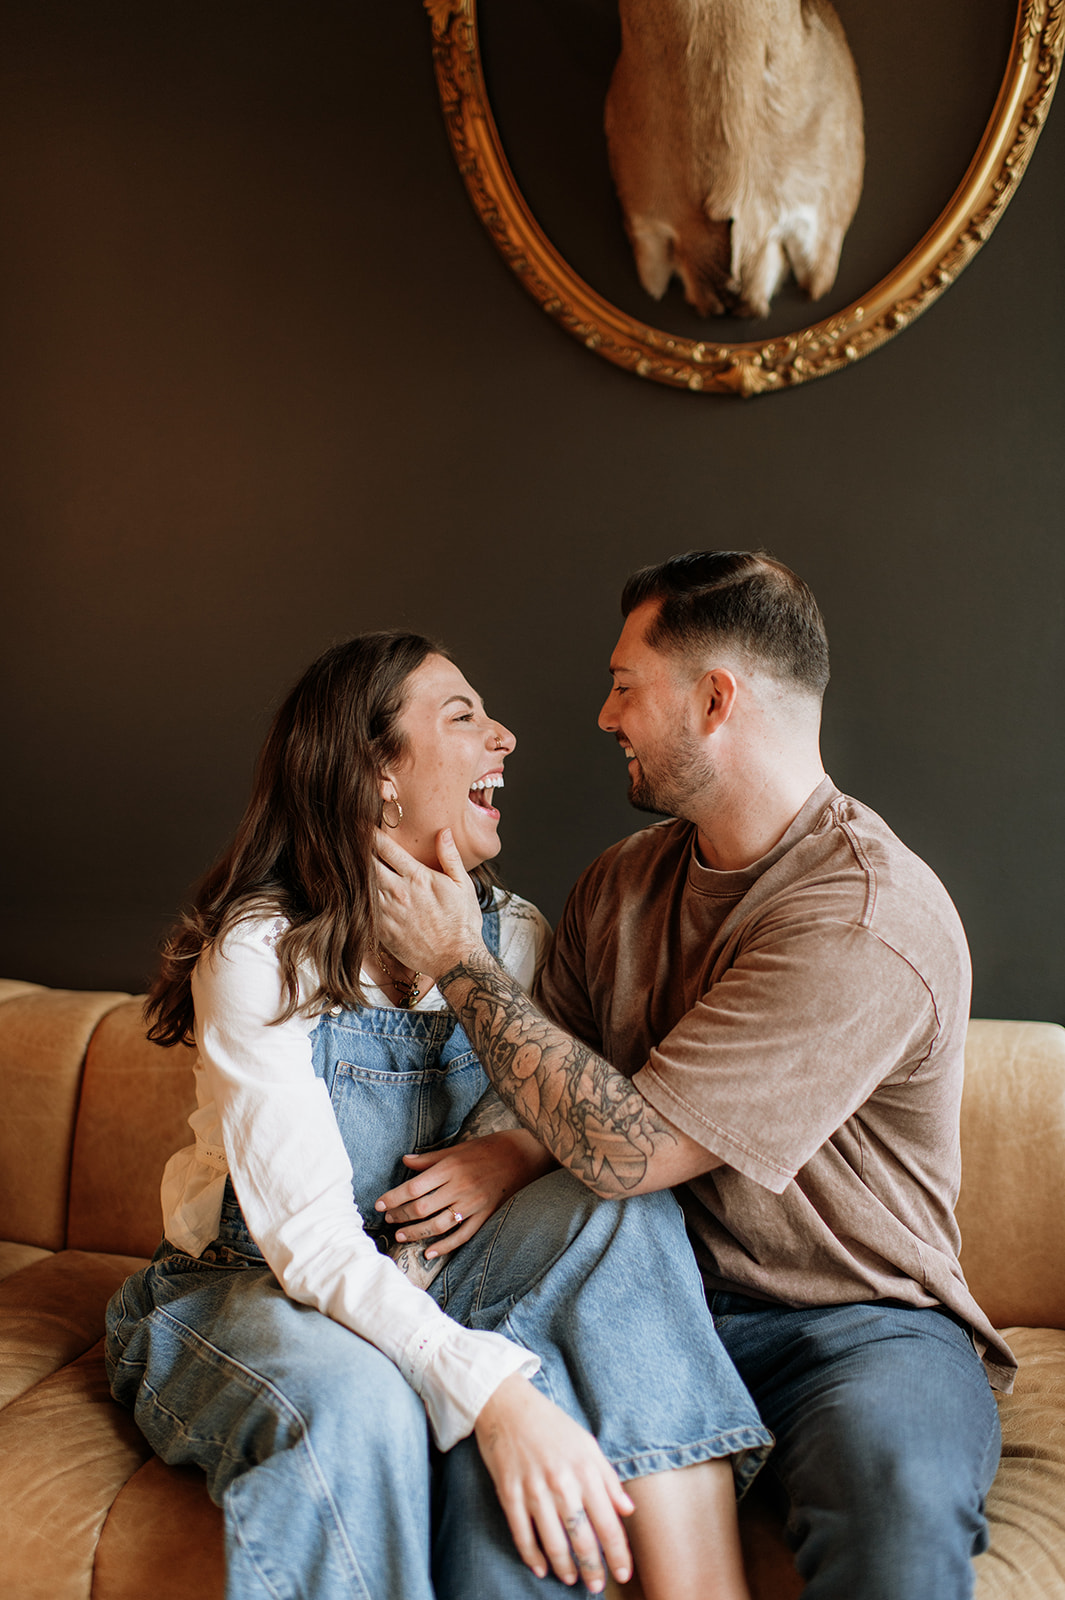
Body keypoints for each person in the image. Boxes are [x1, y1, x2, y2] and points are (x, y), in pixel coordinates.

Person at [375, 553, 1016, 1600]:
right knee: (508, 1508)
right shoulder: (621, 885)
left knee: (894, 1492)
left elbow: (630, 1152)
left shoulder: (863, 916)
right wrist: (505, 1151)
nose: (601, 714)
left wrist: (459, 964)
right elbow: (565, 1089)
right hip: (644, 1296)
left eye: (626, 685)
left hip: (853, 1320)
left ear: (715, 699)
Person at [105, 629, 772, 1600]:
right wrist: (495, 1391)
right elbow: (312, 1246)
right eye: (463, 717)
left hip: (433, 1277)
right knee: (362, 1398)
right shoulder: (259, 952)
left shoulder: (515, 937)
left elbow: (567, 1130)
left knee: (626, 1210)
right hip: (251, 1291)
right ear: (377, 770)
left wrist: (507, 1150)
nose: (505, 737)